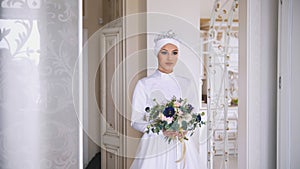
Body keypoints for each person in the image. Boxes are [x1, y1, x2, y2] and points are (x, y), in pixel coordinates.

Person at [130, 31, 202, 169]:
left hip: (182, 146)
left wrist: (186, 128)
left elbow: (195, 115)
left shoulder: (187, 83)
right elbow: (135, 121)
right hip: (154, 147)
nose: (170, 57)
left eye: (174, 53)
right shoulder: (144, 84)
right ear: (157, 54)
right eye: (164, 52)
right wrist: (161, 131)